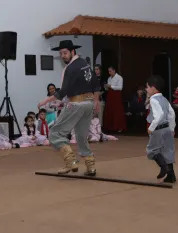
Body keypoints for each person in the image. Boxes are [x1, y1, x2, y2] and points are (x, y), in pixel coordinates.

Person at [38, 40, 101, 176]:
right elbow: (96, 84)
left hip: (76, 104)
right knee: (81, 135)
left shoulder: (71, 68)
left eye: (65, 53)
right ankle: (90, 166)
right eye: (61, 53)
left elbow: (63, 91)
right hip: (88, 104)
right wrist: (95, 101)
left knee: (55, 133)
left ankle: (71, 161)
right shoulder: (85, 64)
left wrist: (45, 100)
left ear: (73, 52)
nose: (63, 56)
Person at [145, 75, 176, 183]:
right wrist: (171, 128)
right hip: (167, 128)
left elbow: (159, 115)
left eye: (147, 87)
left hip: (158, 129)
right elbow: (171, 114)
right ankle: (171, 175)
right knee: (167, 150)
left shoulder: (153, 100)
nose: (146, 89)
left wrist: (151, 127)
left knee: (152, 151)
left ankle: (164, 168)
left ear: (153, 88)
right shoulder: (164, 99)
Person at [103, 66, 127, 132]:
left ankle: (119, 127)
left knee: (117, 110)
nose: (109, 72)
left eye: (110, 71)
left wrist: (111, 86)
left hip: (116, 95)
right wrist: (106, 87)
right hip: (110, 95)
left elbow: (120, 88)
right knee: (109, 110)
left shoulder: (119, 78)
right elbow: (107, 88)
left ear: (114, 70)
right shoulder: (109, 78)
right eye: (108, 71)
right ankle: (110, 127)